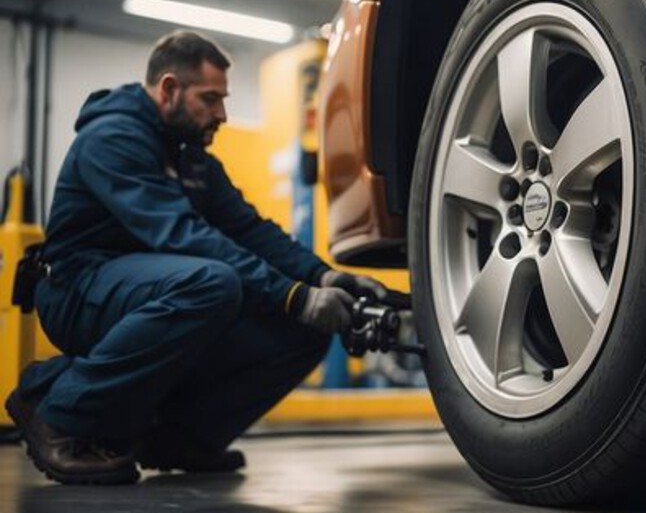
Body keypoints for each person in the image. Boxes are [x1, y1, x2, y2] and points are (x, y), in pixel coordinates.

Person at [4, 30, 387, 485]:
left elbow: (250, 230)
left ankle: (180, 438)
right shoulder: (112, 139)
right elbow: (180, 234)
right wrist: (292, 295)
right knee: (211, 282)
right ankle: (59, 410)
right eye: (210, 98)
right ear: (169, 90)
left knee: (303, 331)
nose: (222, 113)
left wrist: (323, 277)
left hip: (147, 291)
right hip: (77, 291)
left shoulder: (193, 159)